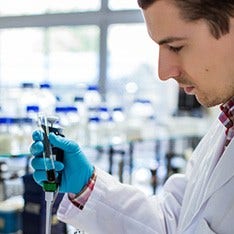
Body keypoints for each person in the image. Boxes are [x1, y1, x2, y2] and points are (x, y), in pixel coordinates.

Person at [30, 0, 234, 233]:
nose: (163, 71)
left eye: (176, 47)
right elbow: (176, 225)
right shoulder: (224, 129)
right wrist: (87, 186)